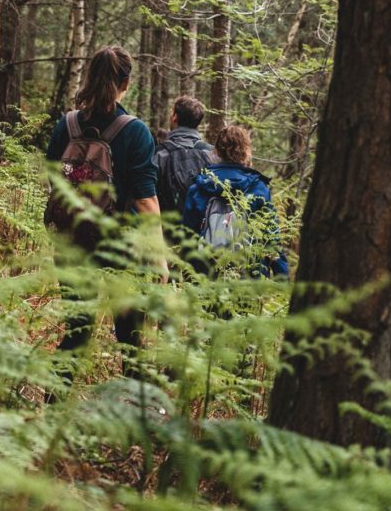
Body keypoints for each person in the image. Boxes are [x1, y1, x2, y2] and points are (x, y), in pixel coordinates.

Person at [44, 46, 164, 369]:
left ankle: (53, 413)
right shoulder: (135, 132)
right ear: (126, 82)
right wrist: (160, 257)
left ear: (89, 77)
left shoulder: (66, 125)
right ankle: (131, 414)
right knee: (131, 339)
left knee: (77, 332)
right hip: (121, 248)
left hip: (71, 242)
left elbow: (55, 181)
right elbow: (145, 199)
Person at [181, 125, 289, 278]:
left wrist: (186, 274)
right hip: (249, 277)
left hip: (206, 275)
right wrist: (282, 278)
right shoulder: (258, 188)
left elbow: (188, 237)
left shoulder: (200, 186)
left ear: (217, 151)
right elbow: (272, 238)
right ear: (246, 151)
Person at [153, 96, 215, 214]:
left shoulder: (160, 153)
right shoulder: (211, 154)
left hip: (165, 227)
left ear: (175, 117)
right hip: (203, 229)